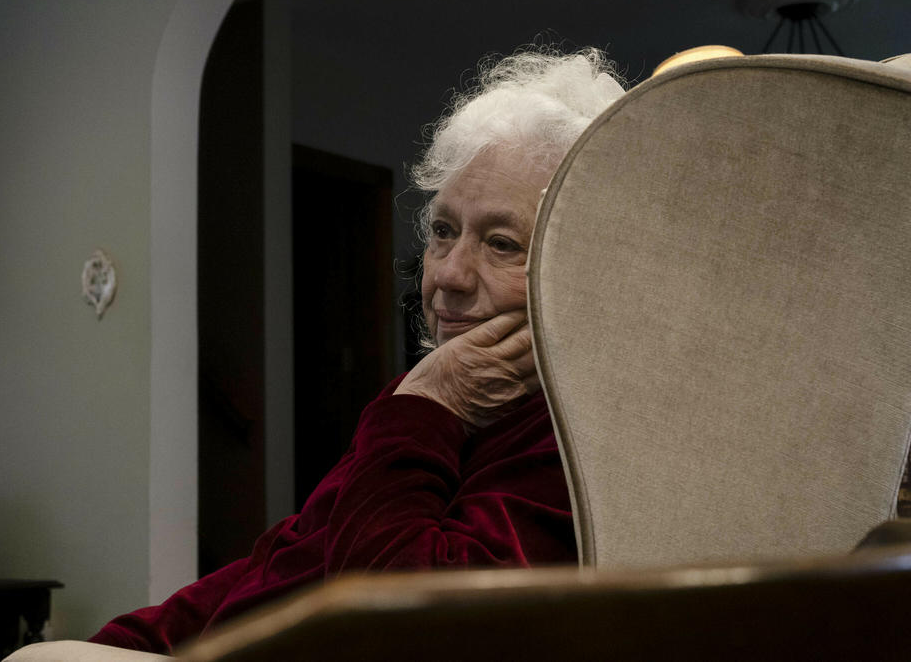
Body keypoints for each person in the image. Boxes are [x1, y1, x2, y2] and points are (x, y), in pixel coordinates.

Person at [90, 47, 625, 653]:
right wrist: (126, 641)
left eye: (500, 243)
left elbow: (401, 622)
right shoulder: (427, 409)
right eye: (443, 231)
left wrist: (430, 402)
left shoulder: (571, 442)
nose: (446, 275)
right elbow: (287, 564)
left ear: (582, 271)